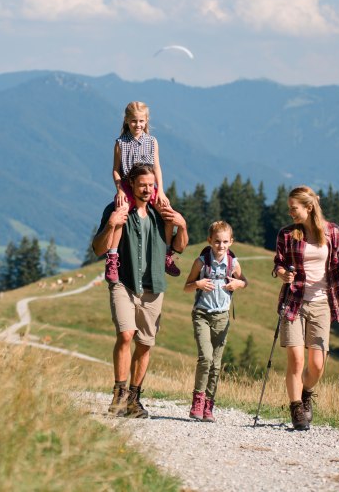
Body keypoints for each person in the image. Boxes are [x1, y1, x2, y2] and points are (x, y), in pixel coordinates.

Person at [92, 163, 188, 418]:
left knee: (145, 343)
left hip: (153, 286)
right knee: (126, 334)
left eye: (151, 185)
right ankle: (119, 394)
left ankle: (134, 398)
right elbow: (99, 249)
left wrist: (183, 225)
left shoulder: (161, 211)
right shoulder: (117, 209)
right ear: (131, 184)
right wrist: (111, 224)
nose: (147, 189)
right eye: (142, 184)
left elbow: (179, 248)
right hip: (123, 281)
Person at [273, 186, 339, 430]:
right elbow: (278, 264)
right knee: (296, 360)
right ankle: (296, 408)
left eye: (294, 208)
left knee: (317, 364)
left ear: (309, 207)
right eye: (289, 209)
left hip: (322, 303)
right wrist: (283, 273)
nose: (290, 213)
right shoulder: (287, 235)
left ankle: (306, 393)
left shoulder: (332, 232)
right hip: (294, 301)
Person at [105, 101, 180, 284]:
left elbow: (157, 168)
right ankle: (112, 259)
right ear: (126, 121)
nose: (137, 125)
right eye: (133, 121)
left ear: (146, 121)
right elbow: (116, 170)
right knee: (120, 215)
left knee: (168, 214)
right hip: (128, 187)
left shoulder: (152, 142)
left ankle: (166, 253)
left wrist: (160, 190)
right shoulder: (120, 143)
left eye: (141, 121)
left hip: (149, 186)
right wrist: (120, 189)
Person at [183, 221, 248, 422]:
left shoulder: (233, 263)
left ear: (231, 242)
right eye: (217, 241)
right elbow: (186, 286)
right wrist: (198, 284)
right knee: (206, 358)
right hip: (202, 314)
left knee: (216, 364)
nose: (221, 245)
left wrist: (238, 283)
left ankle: (209, 405)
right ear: (209, 240)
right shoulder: (201, 262)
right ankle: (198, 400)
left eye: (225, 242)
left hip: (222, 317)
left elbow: (244, 281)